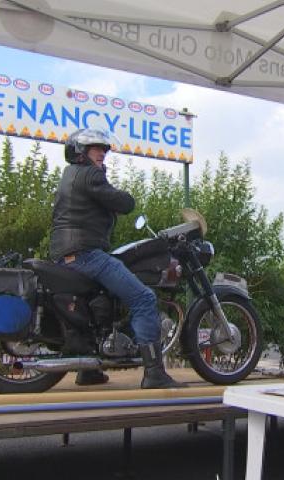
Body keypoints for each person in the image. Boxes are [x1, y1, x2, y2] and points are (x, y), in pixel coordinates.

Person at [50, 128, 185, 389]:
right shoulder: (90, 174)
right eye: (96, 148)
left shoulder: (70, 175)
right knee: (144, 298)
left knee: (99, 304)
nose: (102, 153)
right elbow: (124, 203)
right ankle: (154, 373)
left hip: (68, 254)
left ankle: (88, 371)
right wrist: (128, 197)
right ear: (80, 152)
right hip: (86, 254)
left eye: (104, 149)